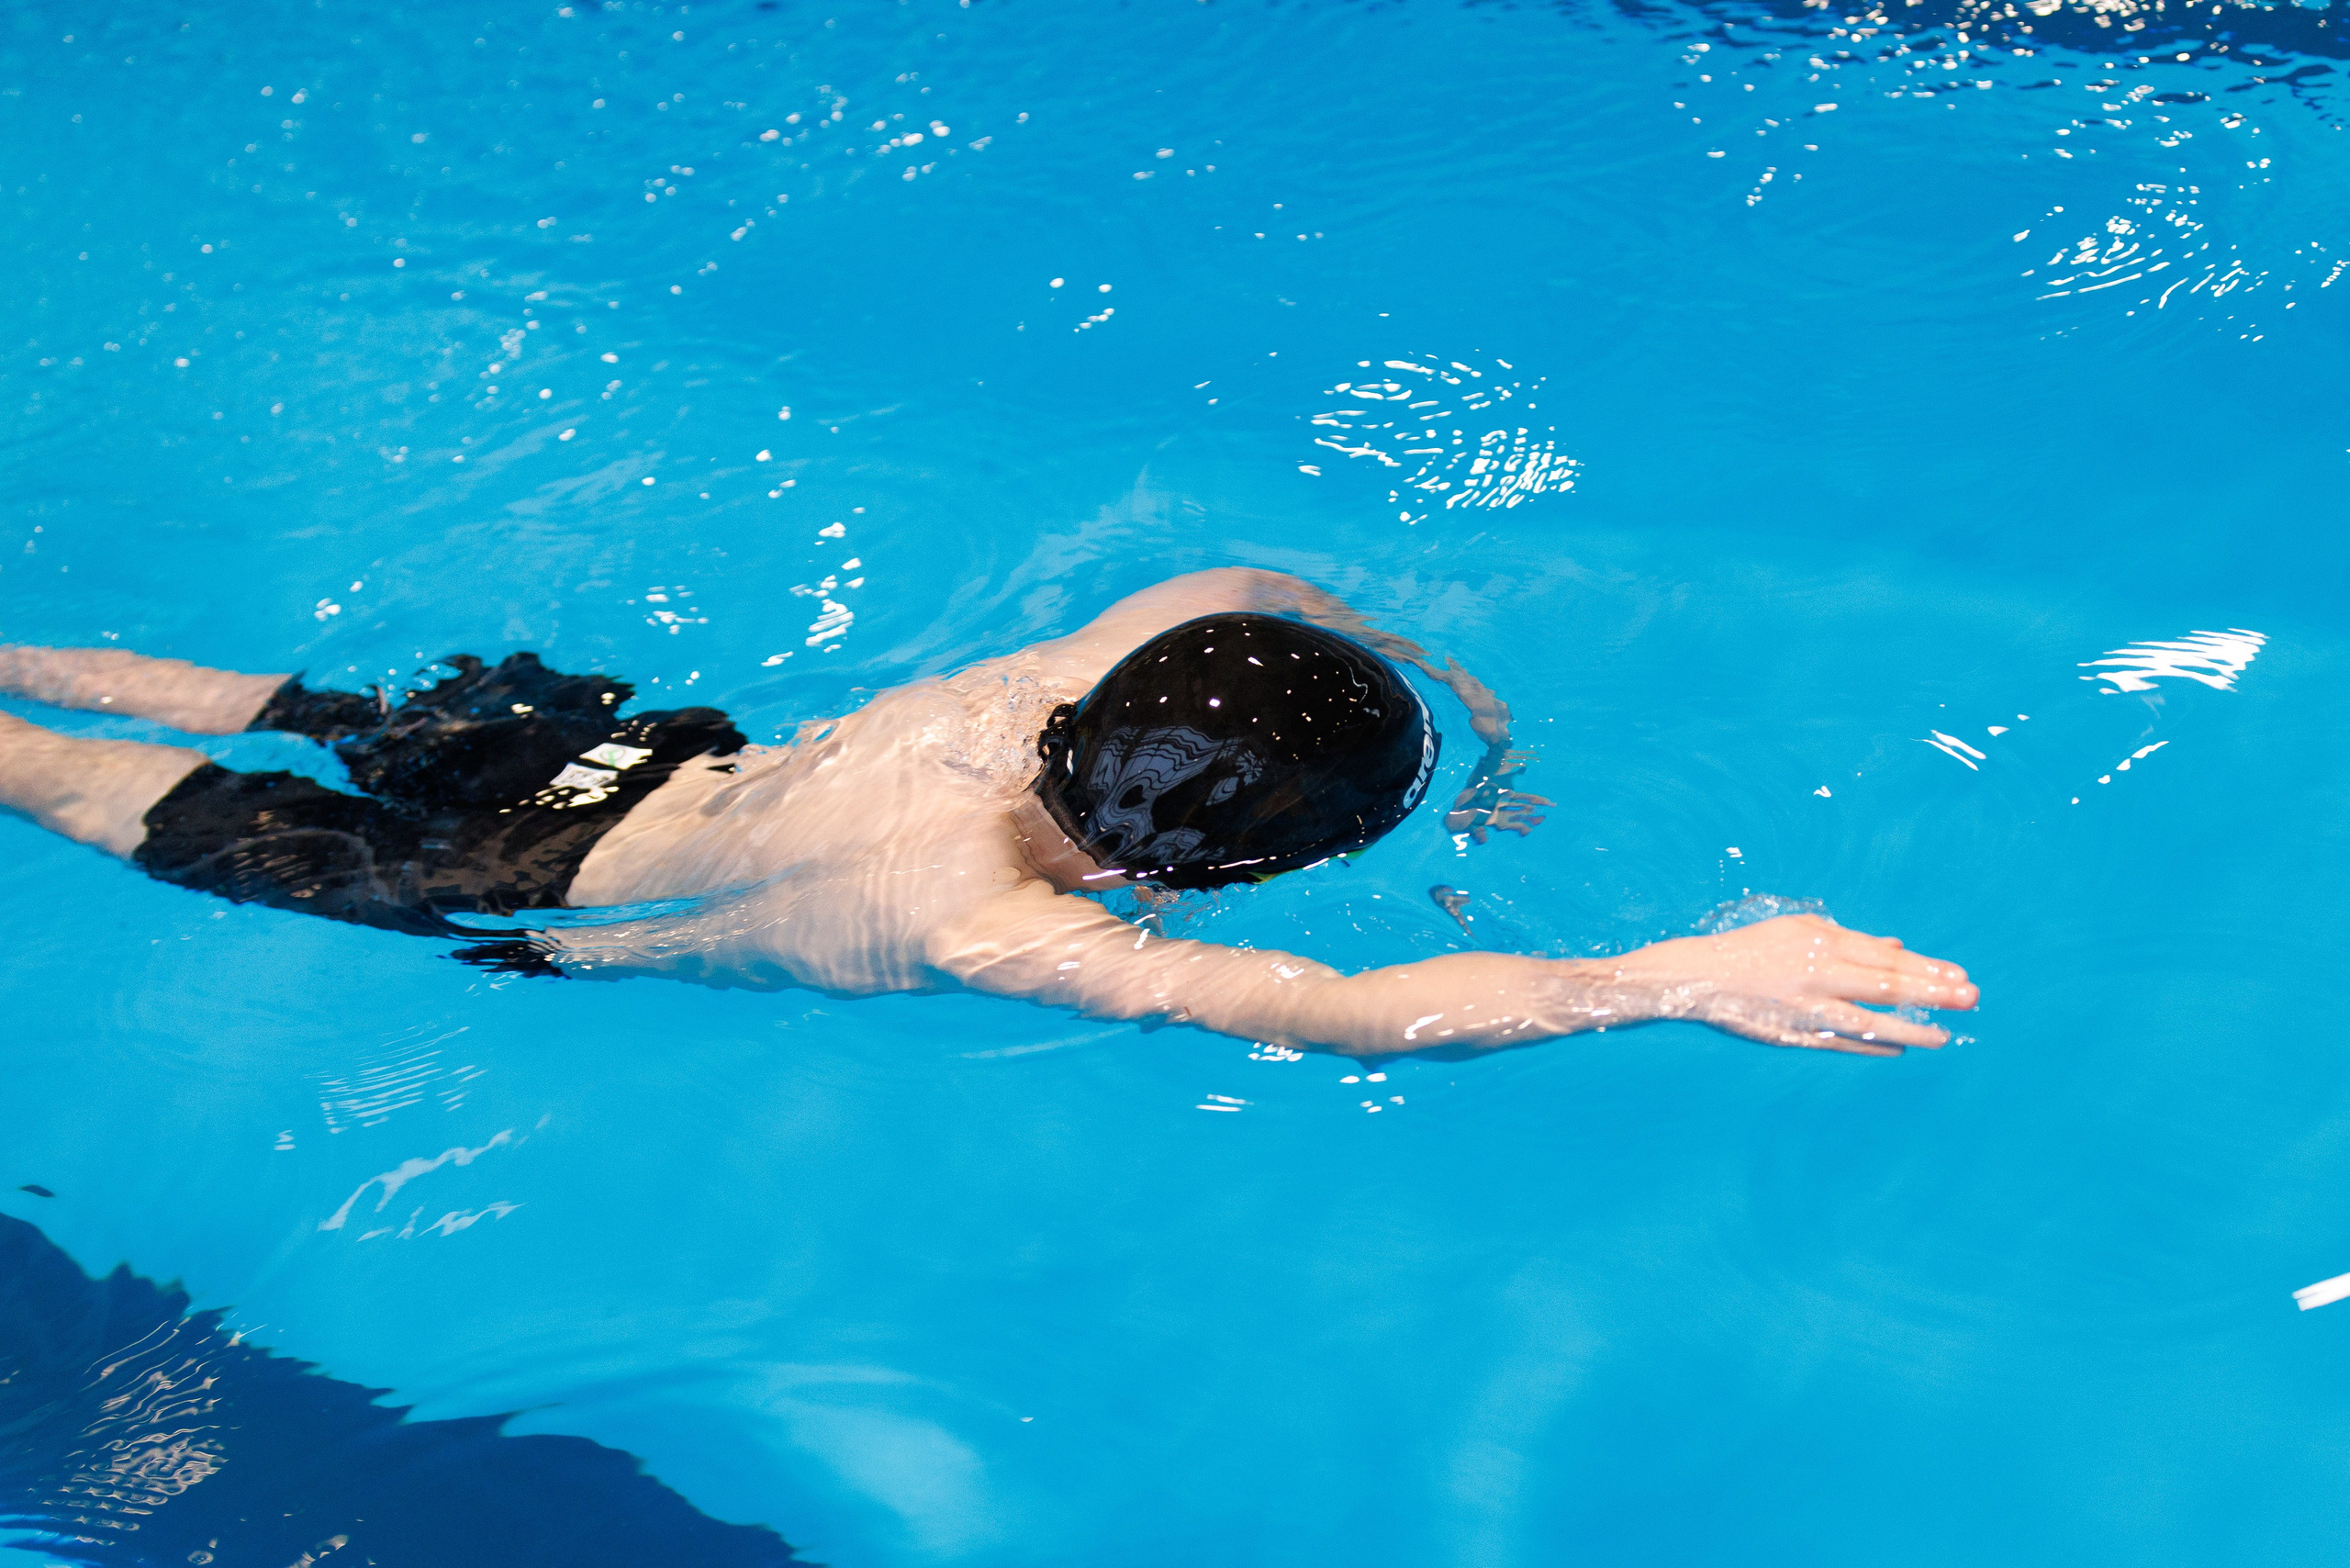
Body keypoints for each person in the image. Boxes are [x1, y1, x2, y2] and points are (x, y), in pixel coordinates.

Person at [0, 568, 1974, 1058]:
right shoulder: (990, 929)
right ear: (1251, 867)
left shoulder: (1037, 682)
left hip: (627, 764)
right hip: (502, 886)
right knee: (84, 786)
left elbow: (1240, 582)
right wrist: (1667, 972)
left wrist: (1460, 702)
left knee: (297, 706)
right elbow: (1362, 1015)